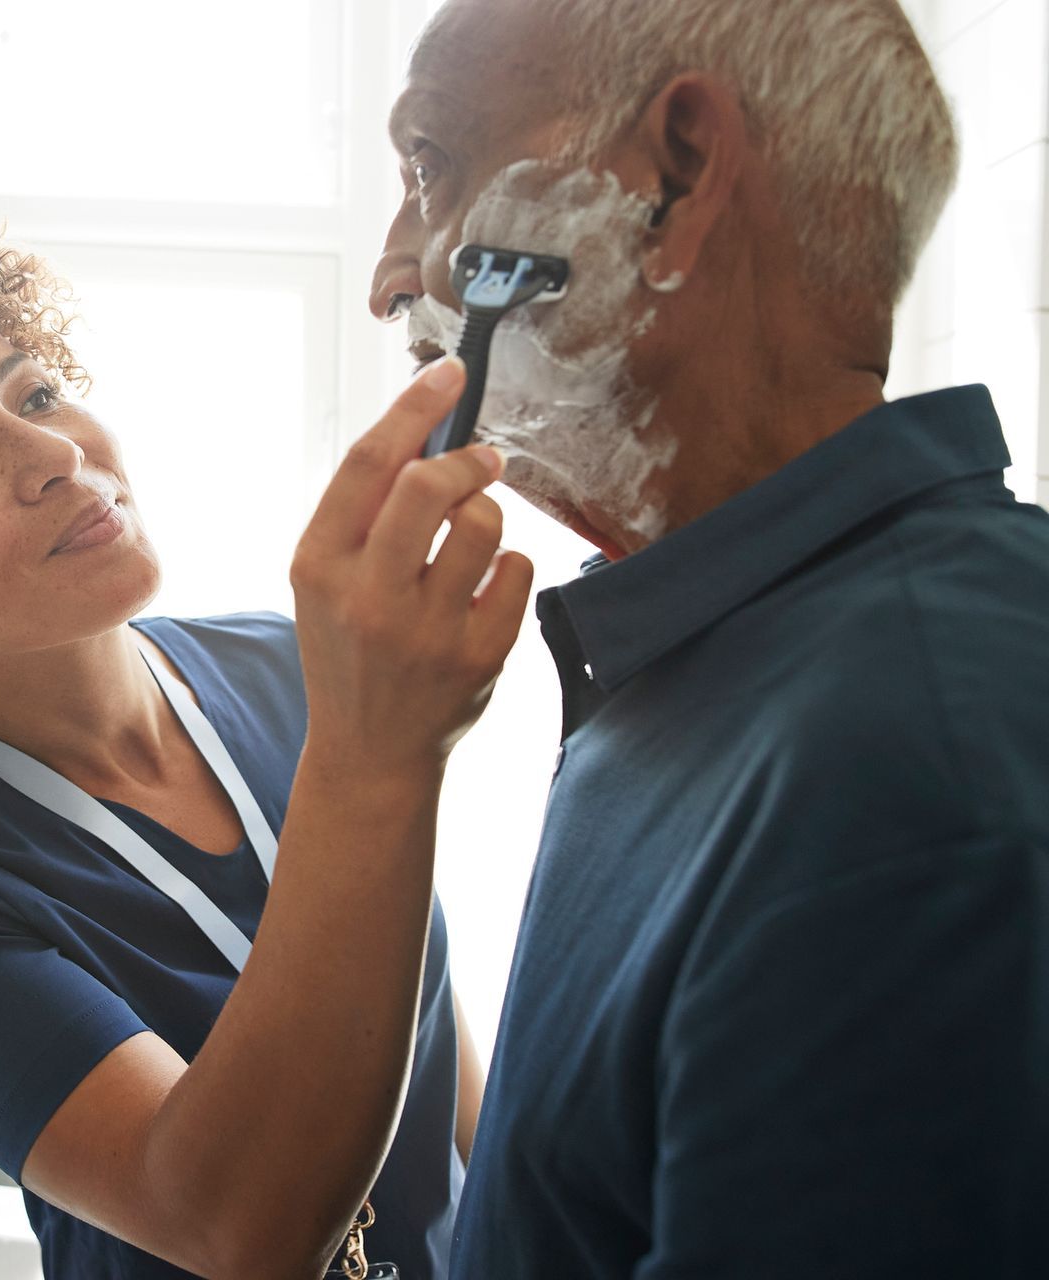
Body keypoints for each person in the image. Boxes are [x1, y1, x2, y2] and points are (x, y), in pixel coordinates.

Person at [0, 186, 533, 1279]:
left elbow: (434, 1037)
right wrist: (380, 755)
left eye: (36, 390)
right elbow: (236, 1227)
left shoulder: (289, 666)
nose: (53, 455)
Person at [369, 0, 1049, 1274]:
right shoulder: (710, 653)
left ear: (674, 181)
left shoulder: (907, 782)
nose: (390, 274)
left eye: (430, 169)